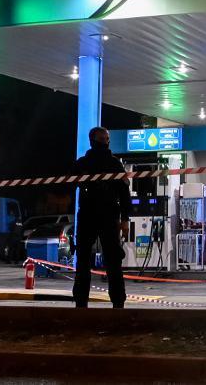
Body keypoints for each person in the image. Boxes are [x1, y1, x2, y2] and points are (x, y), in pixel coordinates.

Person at [73, 127, 132, 309]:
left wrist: (125, 219)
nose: (105, 142)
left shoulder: (111, 164)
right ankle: (83, 303)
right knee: (87, 260)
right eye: (103, 139)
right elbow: (67, 185)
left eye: (107, 139)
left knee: (110, 260)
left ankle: (116, 303)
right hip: (93, 215)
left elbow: (124, 193)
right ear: (93, 141)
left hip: (104, 215)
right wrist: (124, 219)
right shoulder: (86, 163)